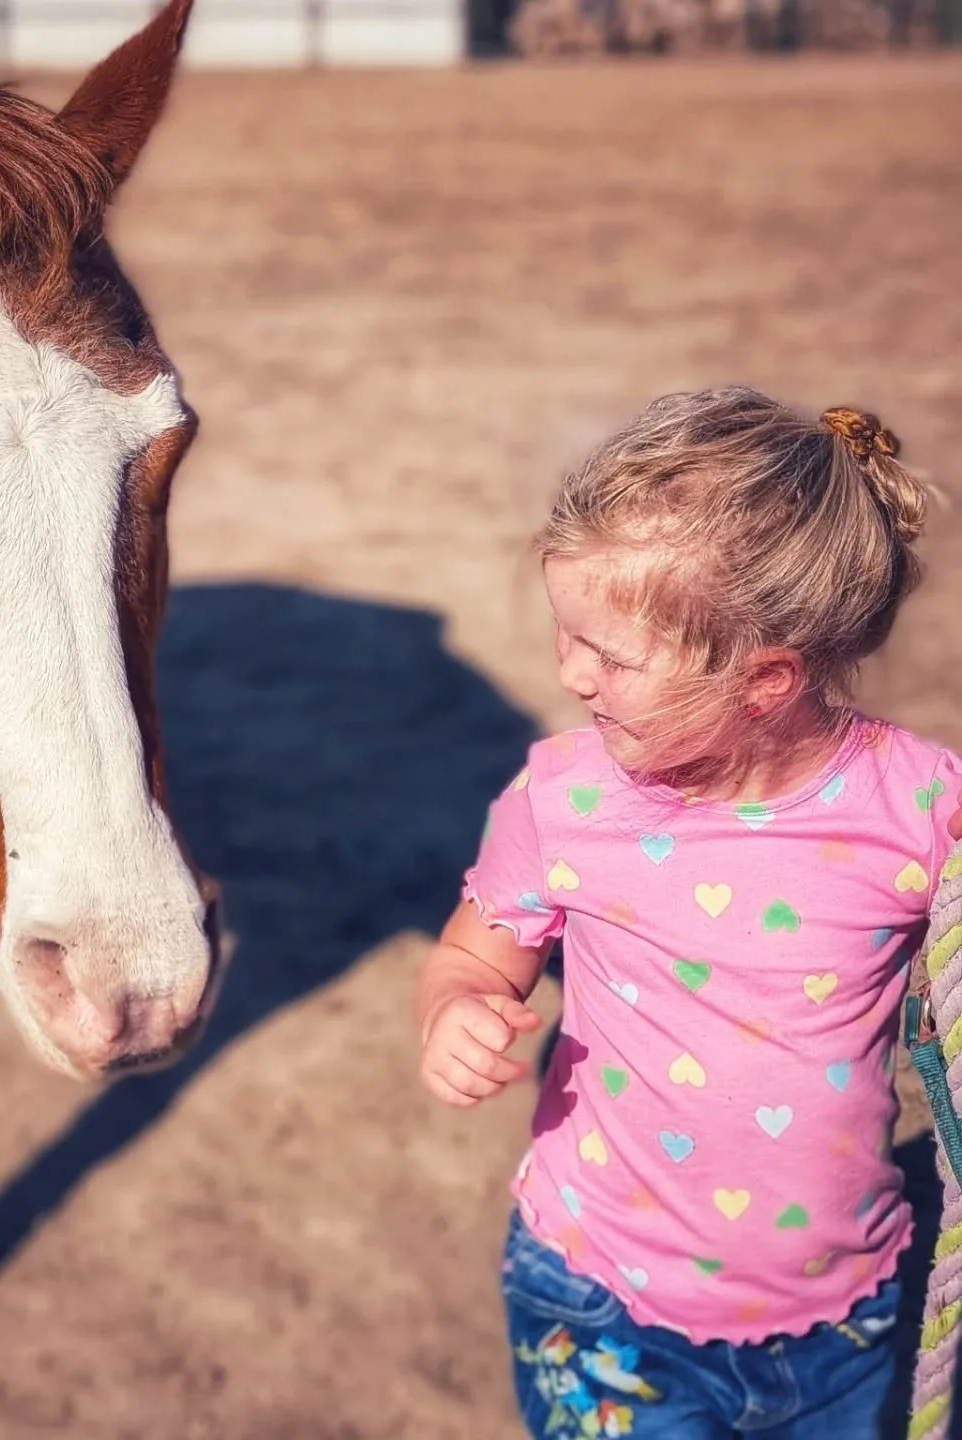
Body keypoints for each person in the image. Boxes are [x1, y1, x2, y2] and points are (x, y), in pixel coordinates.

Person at [415, 389, 956, 1438]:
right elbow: (475, 958)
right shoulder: (561, 799)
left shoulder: (922, 805)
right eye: (568, 636)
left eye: (610, 657)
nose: (570, 675)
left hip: (846, 1325)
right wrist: (457, 1008)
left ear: (764, 679)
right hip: (605, 1310)